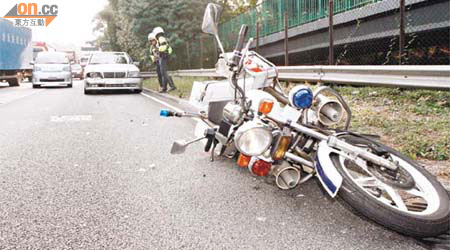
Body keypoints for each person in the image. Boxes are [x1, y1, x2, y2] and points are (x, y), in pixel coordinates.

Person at [152, 26, 176, 92]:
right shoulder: (161, 38)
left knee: (164, 72)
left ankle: (172, 86)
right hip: (162, 56)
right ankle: (164, 88)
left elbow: (163, 47)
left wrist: (157, 50)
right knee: (163, 73)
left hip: (163, 56)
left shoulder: (161, 38)